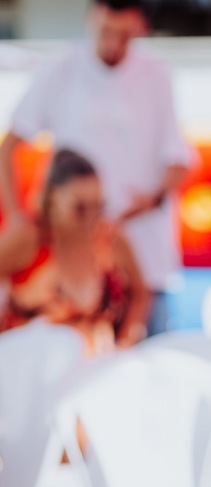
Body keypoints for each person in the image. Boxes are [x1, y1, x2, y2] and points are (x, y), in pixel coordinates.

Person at [0, 0, 191, 336]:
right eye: (107, 31)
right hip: (76, 266)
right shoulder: (60, 70)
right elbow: (9, 146)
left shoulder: (157, 75)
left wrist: (149, 201)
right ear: (92, 18)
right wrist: (15, 218)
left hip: (141, 255)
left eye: (125, 35)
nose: (114, 43)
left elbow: (178, 159)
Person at [0, 148, 149, 353]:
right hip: (29, 373)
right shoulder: (30, 237)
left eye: (99, 206)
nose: (91, 218)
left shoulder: (110, 239)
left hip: (92, 373)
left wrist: (125, 343)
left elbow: (140, 292)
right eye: (80, 208)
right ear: (52, 198)